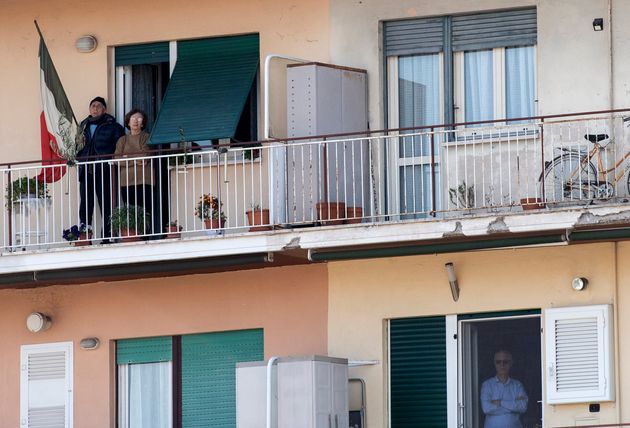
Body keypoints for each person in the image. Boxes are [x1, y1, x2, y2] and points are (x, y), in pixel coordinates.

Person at [77, 96, 125, 241]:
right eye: (93, 106)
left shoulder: (113, 126)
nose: (95, 108)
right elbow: (78, 147)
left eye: (98, 106)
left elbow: (120, 147)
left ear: (104, 109)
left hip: (105, 170)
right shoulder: (82, 126)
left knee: (107, 203)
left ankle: (108, 236)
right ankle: (85, 236)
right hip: (86, 170)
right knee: (85, 205)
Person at [114, 109, 154, 233]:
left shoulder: (146, 137)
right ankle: (133, 234)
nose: (136, 121)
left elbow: (144, 156)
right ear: (128, 122)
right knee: (130, 211)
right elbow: (116, 159)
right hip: (126, 182)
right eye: (133, 118)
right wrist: (134, 160)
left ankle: (145, 235)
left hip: (144, 180)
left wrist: (127, 158)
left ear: (143, 123)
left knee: (145, 210)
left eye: (139, 119)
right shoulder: (122, 140)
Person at [480, 350, 528, 428]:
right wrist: (513, 407)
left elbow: (523, 407)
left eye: (505, 362)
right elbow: (486, 408)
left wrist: (500, 402)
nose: (502, 365)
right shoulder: (487, 385)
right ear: (494, 364)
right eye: (498, 362)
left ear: (511, 363)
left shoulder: (517, 385)